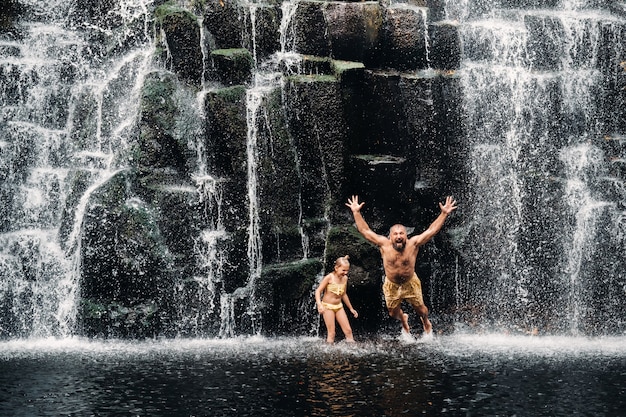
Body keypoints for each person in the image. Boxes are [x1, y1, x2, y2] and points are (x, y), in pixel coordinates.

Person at [345, 195, 457, 335]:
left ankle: (426, 320)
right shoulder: (383, 244)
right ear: (390, 237)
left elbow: (431, 231)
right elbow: (365, 231)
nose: (399, 236)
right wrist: (356, 212)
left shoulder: (414, 243)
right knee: (392, 313)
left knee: (421, 310)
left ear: (406, 235)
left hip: (410, 282)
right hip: (391, 284)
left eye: (401, 233)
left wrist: (444, 213)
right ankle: (403, 319)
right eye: (396, 234)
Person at [315, 255, 358, 344]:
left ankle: (352, 351)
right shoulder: (329, 277)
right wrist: (319, 305)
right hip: (327, 307)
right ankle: (328, 353)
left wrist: (351, 308)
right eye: (343, 270)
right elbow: (318, 291)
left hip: (339, 306)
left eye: (347, 270)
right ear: (336, 268)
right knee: (332, 333)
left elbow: (344, 294)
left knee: (348, 330)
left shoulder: (345, 278)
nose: (345, 273)